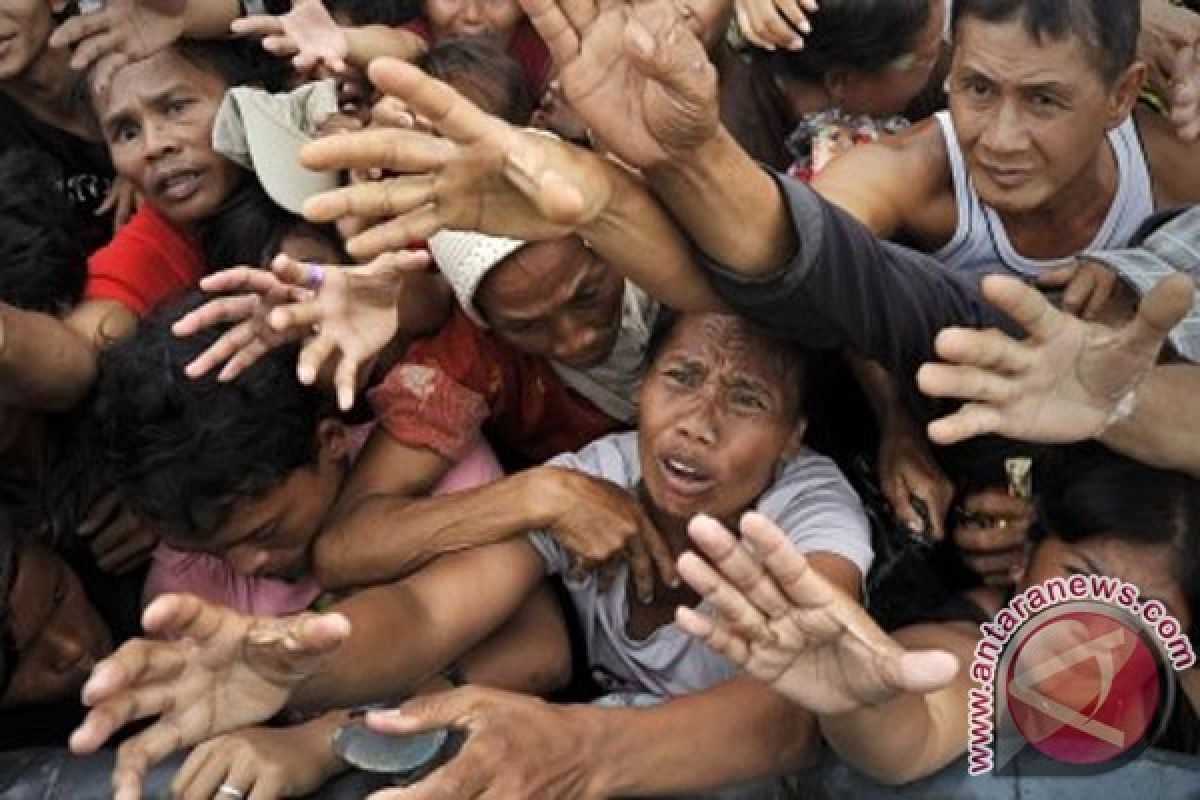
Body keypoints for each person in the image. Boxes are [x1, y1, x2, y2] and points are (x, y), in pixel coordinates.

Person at [69, 312, 873, 800]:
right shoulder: (597, 475)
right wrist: (285, 665)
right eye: (683, 378)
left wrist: (577, 751)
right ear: (642, 390)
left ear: (794, 438)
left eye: (747, 400)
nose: (699, 422)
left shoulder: (808, 508)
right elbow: (425, 613)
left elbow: (797, 713)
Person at [673, 444, 1200, 782]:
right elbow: (917, 731)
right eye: (1081, 581)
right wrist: (860, 703)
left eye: (1149, 612)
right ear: (1023, 559)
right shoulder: (976, 651)